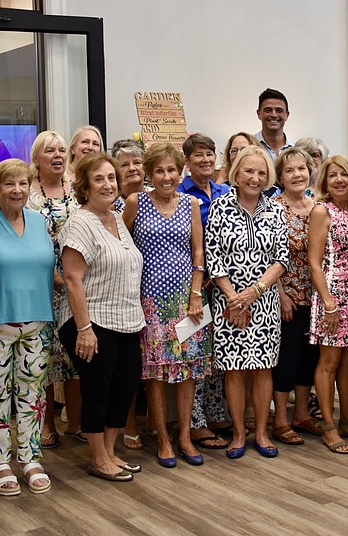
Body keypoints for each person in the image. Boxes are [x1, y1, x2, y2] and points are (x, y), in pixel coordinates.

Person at [57, 152, 145, 481]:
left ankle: (109, 452)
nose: (107, 184)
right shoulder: (80, 222)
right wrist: (84, 329)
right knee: (97, 390)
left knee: (124, 387)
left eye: (111, 178)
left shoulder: (116, 218)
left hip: (126, 320)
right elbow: (72, 279)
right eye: (98, 179)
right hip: (92, 321)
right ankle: (97, 458)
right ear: (85, 186)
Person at [123, 142, 212, 467]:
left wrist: (196, 294)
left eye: (171, 170)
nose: (166, 177)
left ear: (180, 171)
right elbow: (122, 244)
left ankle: (185, 436)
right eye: (159, 171)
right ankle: (162, 437)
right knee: (156, 372)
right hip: (148, 301)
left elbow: (198, 252)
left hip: (187, 302)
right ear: (149, 173)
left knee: (189, 370)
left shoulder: (190, 203)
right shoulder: (136, 202)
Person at [0, 159, 55, 495]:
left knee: (32, 393)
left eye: (23, 183)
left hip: (38, 318)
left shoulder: (39, 221)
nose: (17, 190)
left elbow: (50, 268)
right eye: (9, 184)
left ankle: (29, 457)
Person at [205, 145, 289, 459]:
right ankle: (239, 433)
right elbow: (213, 257)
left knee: (263, 369)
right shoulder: (220, 207)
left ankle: (262, 433)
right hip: (228, 304)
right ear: (236, 174)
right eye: (249, 171)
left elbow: (281, 258)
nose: (255, 178)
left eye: (261, 172)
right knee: (234, 370)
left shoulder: (275, 210)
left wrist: (254, 292)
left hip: (264, 302)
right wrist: (234, 299)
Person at [307, 155, 348, 455]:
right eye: (332, 175)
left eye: (343, 174)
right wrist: (329, 304)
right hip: (332, 295)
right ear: (325, 181)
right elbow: (314, 262)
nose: (339, 180)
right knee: (329, 362)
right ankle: (329, 426)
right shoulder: (322, 211)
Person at [27, 131, 85, 448]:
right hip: (40, 286)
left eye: (62, 150)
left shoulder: (77, 190)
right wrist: (55, 277)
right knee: (46, 360)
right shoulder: (27, 194)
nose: (57, 155)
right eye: (49, 150)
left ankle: (75, 422)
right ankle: (47, 424)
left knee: (76, 356)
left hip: (78, 285)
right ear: (36, 158)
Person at [178, 133, 232, 449]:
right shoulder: (181, 194)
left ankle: (215, 413)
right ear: (187, 161)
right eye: (198, 155)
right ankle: (195, 423)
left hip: (224, 284)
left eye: (209, 153)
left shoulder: (225, 192)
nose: (205, 160)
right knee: (195, 353)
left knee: (218, 352)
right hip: (194, 285)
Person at [270, 148, 319, 447]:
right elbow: (266, 254)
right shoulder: (274, 208)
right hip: (286, 295)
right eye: (289, 170)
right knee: (286, 358)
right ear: (280, 177)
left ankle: (302, 414)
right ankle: (280, 420)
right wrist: (280, 293)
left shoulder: (318, 207)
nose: (297, 174)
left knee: (309, 357)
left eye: (301, 168)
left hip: (315, 296)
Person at [111, 138, 147, 449]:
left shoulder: (156, 196)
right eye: (125, 164)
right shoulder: (112, 205)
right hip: (124, 290)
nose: (133, 168)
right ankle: (129, 422)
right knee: (128, 363)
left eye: (137, 162)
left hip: (155, 286)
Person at [255, 88, 294, 160]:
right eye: (268, 110)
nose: (274, 115)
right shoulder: (248, 145)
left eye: (279, 111)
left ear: (287, 115)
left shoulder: (296, 149)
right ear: (259, 114)